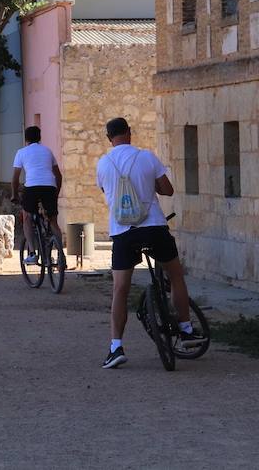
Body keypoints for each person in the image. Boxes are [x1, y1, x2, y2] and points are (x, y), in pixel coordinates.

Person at [95, 117, 203, 369]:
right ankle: (186, 330)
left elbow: (107, 193)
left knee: (120, 289)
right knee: (175, 274)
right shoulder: (146, 157)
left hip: (123, 233)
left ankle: (116, 347)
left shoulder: (103, 163)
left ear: (109, 138)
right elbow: (168, 190)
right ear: (130, 133)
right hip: (153, 226)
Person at [12, 125, 63, 264]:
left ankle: (33, 254)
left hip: (32, 187)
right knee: (53, 221)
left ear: (26, 138)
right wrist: (55, 193)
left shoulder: (21, 152)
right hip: (49, 187)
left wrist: (14, 195)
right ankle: (61, 256)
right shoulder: (48, 151)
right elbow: (58, 176)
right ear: (40, 138)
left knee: (27, 216)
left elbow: (15, 178)